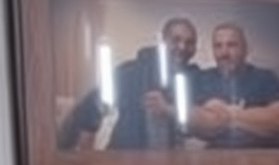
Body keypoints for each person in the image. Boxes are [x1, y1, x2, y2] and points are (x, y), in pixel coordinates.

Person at [57, 16, 201, 151]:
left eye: (190, 42)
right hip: (122, 161)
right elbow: (88, 110)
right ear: (163, 42)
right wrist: (87, 160)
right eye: (175, 40)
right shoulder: (131, 71)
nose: (182, 47)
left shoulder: (193, 78)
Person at [187, 22, 279, 148]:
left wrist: (228, 114)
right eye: (218, 46)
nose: (224, 53)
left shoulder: (265, 77)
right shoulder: (201, 78)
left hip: (261, 159)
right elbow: (191, 122)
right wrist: (256, 120)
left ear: (246, 49)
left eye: (232, 45)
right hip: (215, 161)